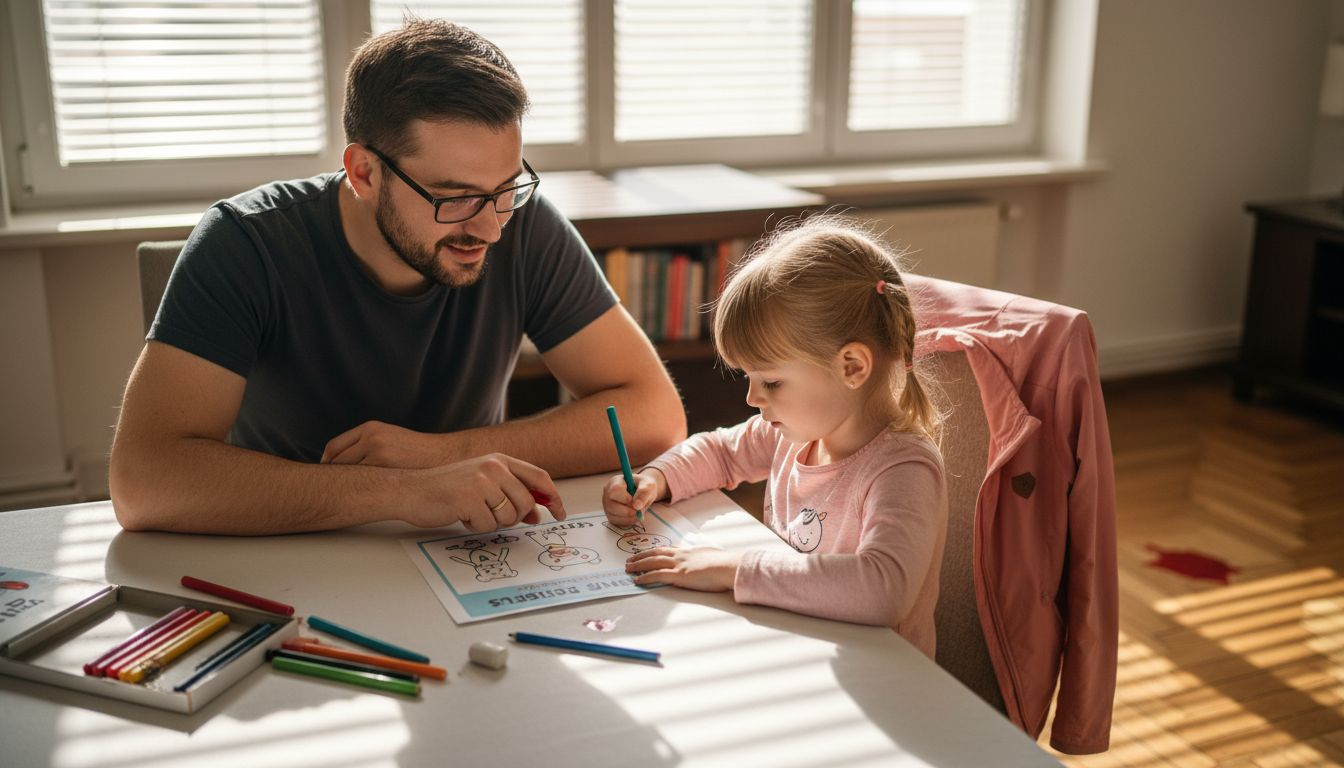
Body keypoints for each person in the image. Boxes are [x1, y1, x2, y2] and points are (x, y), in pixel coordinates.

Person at [109, 19, 686, 535]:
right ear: (364, 172)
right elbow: (144, 481)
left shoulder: (526, 224)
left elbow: (656, 415)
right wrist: (404, 492)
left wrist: (438, 456)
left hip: (468, 548)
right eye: (453, 198)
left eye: (506, 187)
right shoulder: (246, 242)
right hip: (290, 554)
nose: (489, 228)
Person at [602, 216, 947, 658]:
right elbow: (721, 452)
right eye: (749, 378)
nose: (751, 398)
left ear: (852, 367)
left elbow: (883, 590)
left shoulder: (902, 468)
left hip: (884, 679)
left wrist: (735, 568)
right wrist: (657, 478)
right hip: (798, 643)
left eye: (773, 382)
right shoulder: (796, 432)